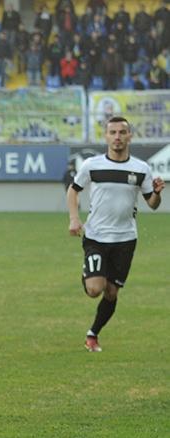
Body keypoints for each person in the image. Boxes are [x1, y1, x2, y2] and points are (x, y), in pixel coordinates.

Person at [67, 116, 163, 352]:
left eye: (122, 132)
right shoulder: (92, 165)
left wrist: (157, 193)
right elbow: (73, 190)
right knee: (94, 289)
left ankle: (93, 334)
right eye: (113, 132)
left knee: (111, 292)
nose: (118, 137)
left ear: (130, 136)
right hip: (96, 236)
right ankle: (89, 272)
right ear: (106, 136)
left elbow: (152, 204)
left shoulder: (141, 168)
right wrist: (74, 218)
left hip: (125, 239)